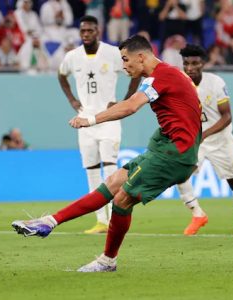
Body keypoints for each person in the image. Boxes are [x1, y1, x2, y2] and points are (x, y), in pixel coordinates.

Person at [12, 35, 202, 272]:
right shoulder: (165, 75)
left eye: (125, 60)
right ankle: (49, 222)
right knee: (112, 183)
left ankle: (107, 261)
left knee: (122, 199)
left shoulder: (161, 76)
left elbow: (131, 106)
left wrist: (91, 119)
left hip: (174, 152)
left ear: (141, 56)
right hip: (167, 146)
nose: (123, 66)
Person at [58, 15, 139, 234]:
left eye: (90, 31)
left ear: (98, 31)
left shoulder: (112, 53)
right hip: (85, 119)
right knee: (92, 171)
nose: (86, 34)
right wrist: (72, 100)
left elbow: (134, 72)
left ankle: (115, 217)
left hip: (109, 118)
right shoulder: (72, 56)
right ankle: (101, 220)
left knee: (110, 168)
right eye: (83, 31)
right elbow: (61, 75)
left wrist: (125, 100)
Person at [176, 44, 233, 235]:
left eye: (195, 63)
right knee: (179, 174)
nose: (190, 68)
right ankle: (197, 214)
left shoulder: (216, 82)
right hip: (196, 142)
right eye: (186, 63)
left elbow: (227, 117)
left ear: (203, 63)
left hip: (220, 140)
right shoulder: (180, 84)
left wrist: (203, 135)